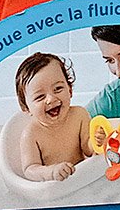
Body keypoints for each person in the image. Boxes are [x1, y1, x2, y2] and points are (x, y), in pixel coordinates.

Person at [15, 52, 94, 182]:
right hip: (52, 187)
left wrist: (96, 142)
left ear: (70, 90)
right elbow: (30, 169)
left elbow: (88, 149)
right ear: (26, 108)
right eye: (40, 96)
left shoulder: (79, 115)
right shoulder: (31, 134)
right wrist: (51, 172)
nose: (51, 99)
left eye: (58, 88)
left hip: (79, 181)